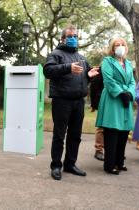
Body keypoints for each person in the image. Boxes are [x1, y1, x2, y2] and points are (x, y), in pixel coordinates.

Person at [43, 25, 99, 180]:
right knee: (59, 135)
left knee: (75, 135)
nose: (74, 39)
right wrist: (68, 67)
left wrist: (89, 75)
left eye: (75, 36)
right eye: (70, 36)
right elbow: (47, 71)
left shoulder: (81, 57)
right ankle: (56, 166)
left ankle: (70, 164)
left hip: (78, 102)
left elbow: (84, 77)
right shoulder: (55, 54)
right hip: (62, 101)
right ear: (63, 38)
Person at [95, 38, 136, 175]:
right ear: (112, 48)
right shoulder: (107, 61)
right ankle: (109, 164)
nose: (120, 47)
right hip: (113, 98)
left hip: (126, 100)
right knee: (112, 131)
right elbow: (108, 80)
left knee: (124, 132)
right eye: (117, 45)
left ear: (126, 47)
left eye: (122, 45)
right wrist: (120, 93)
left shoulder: (129, 63)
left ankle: (120, 161)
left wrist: (130, 93)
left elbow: (132, 82)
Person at [90, 67, 104, 161]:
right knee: (101, 126)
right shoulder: (102, 69)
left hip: (117, 102)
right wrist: (94, 104)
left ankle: (114, 151)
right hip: (103, 101)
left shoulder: (123, 66)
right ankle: (99, 150)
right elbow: (93, 86)